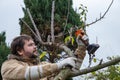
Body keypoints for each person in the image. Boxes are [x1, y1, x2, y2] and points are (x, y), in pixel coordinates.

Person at [1, 35, 77, 80]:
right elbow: (28, 73)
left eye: (34, 44)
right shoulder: (8, 66)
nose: (35, 47)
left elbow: (72, 70)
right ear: (20, 51)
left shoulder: (41, 65)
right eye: (30, 45)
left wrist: (82, 47)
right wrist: (58, 65)